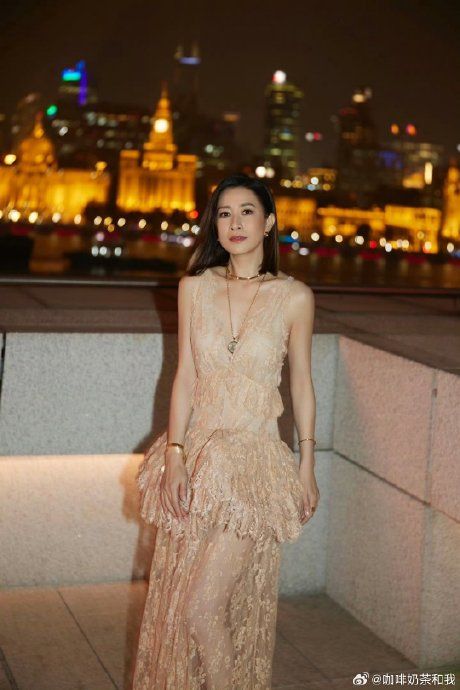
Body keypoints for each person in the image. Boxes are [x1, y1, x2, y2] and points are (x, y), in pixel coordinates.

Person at [132, 173, 319, 690]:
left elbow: (302, 384)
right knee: (182, 604)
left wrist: (307, 464)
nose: (235, 223)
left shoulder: (294, 296)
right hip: (198, 459)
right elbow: (185, 376)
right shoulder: (194, 288)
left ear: (269, 222)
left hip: (255, 469)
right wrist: (174, 455)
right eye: (224, 213)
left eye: (247, 212)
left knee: (202, 608)